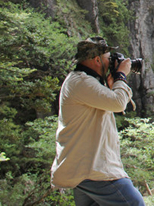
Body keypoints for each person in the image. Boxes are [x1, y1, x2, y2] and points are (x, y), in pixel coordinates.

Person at [51, 36, 145, 206]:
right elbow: (117, 103)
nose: (110, 63)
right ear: (96, 59)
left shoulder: (82, 81)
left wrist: (111, 83)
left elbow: (107, 102)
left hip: (82, 169)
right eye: (108, 59)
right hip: (93, 169)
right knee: (134, 203)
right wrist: (121, 75)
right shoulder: (81, 82)